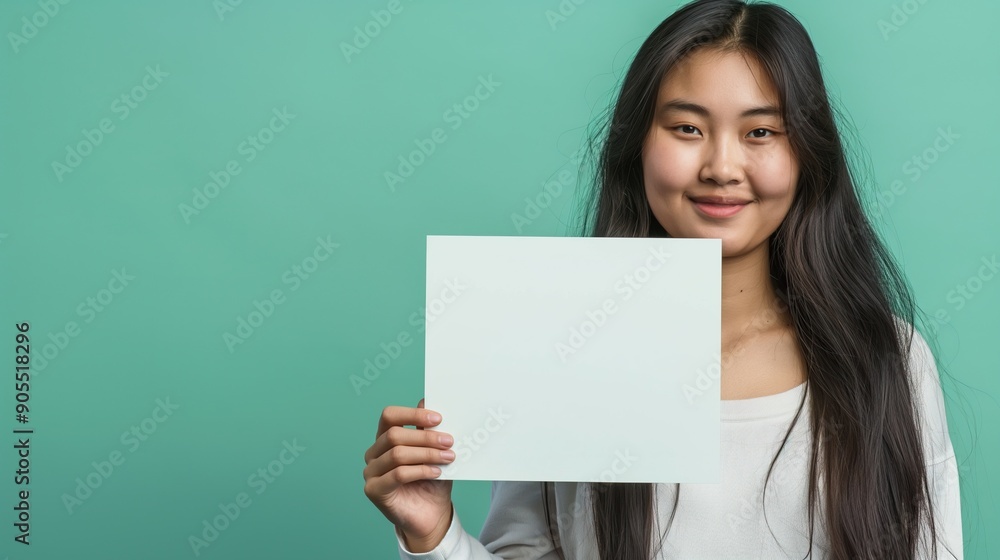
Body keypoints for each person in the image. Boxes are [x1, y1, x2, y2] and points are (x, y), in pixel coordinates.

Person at [362, 0, 964, 558]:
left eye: (760, 132)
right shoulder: (557, 350)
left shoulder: (889, 358)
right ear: (638, 148)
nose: (722, 167)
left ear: (806, 152)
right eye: (687, 128)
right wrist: (434, 535)